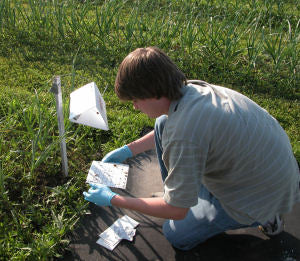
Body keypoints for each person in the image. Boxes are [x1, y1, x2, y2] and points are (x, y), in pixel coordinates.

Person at [83, 46, 300, 250]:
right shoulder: (191, 90)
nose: (134, 106)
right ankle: (179, 192)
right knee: (162, 123)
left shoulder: (184, 134)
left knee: (176, 234)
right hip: (266, 167)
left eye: (136, 99)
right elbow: (173, 128)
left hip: (262, 194)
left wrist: (114, 199)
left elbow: (176, 212)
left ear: (154, 92)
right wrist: (128, 150)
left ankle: (268, 216)